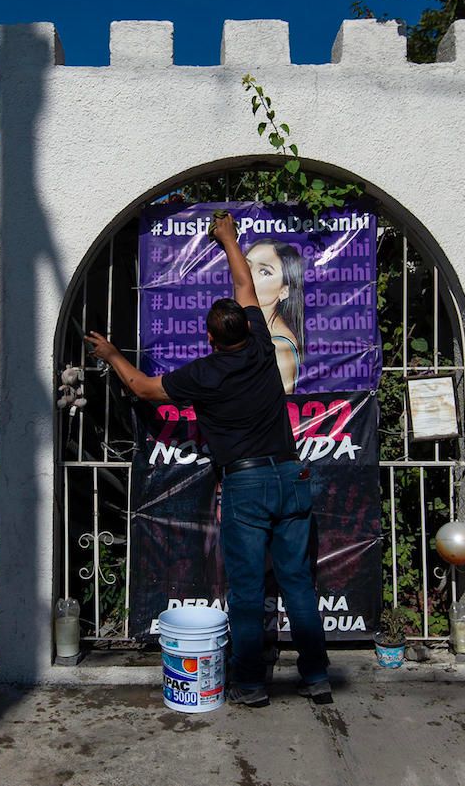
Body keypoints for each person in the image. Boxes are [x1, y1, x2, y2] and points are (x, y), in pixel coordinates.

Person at [85, 213, 330, 707]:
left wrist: (112, 353)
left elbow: (142, 388)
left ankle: (253, 686)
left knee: (244, 590)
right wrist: (229, 239)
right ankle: (317, 678)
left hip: (245, 487)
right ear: (249, 325)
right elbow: (243, 281)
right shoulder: (262, 346)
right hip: (290, 474)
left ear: (211, 338)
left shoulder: (204, 373)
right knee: (298, 584)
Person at [245, 239, 305, 394]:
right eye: (246, 265)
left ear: (284, 291)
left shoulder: (278, 349)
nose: (248, 276)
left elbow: (281, 412)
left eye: (265, 272)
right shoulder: (256, 333)